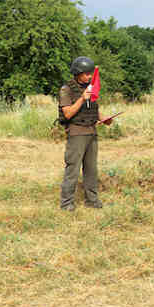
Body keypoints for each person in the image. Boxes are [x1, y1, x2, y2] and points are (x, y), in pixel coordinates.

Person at [57, 56, 112, 211]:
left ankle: (92, 201)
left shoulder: (90, 88)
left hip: (91, 132)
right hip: (76, 132)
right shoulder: (66, 90)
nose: (89, 76)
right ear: (77, 73)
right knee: (72, 169)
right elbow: (67, 113)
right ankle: (67, 203)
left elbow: (94, 109)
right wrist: (82, 98)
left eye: (90, 73)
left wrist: (105, 119)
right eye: (86, 73)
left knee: (91, 170)